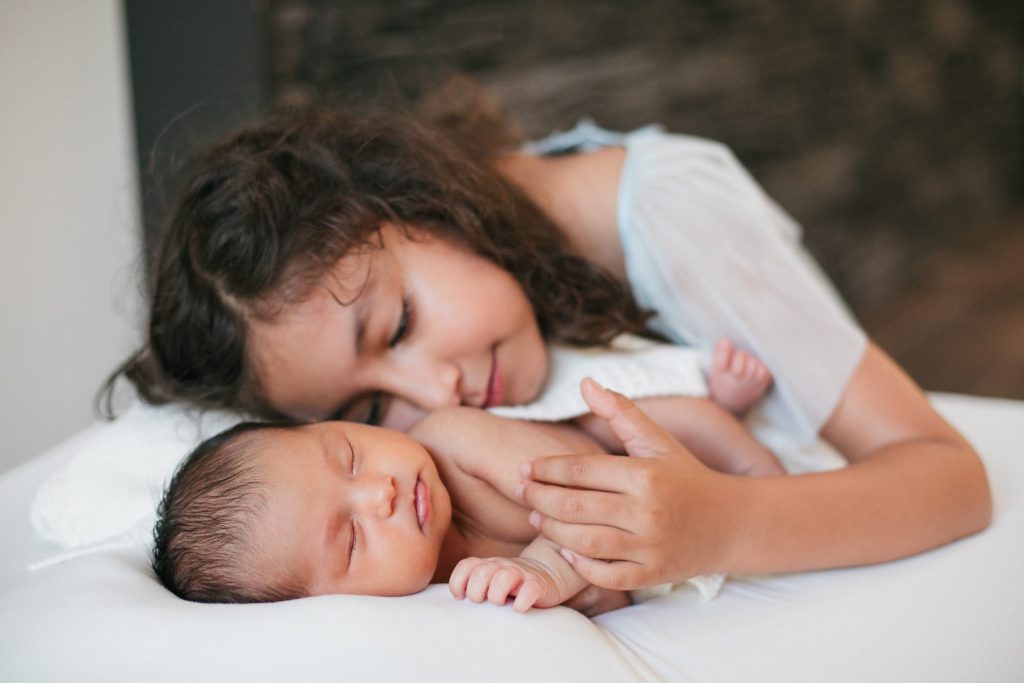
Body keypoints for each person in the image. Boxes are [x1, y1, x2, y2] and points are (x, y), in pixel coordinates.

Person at [116, 88, 991, 594]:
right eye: (372, 407)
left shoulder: (670, 215)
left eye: (400, 325)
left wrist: (725, 524)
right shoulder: (476, 322)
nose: (437, 394)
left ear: (425, 206)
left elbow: (951, 478)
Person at [153, 379, 748, 613]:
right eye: (352, 537)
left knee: (701, 424)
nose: (381, 492)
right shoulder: (439, 602)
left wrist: (546, 571)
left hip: (641, 455)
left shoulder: (453, 443)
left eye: (351, 457)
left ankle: (748, 442)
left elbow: (591, 491)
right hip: (659, 548)